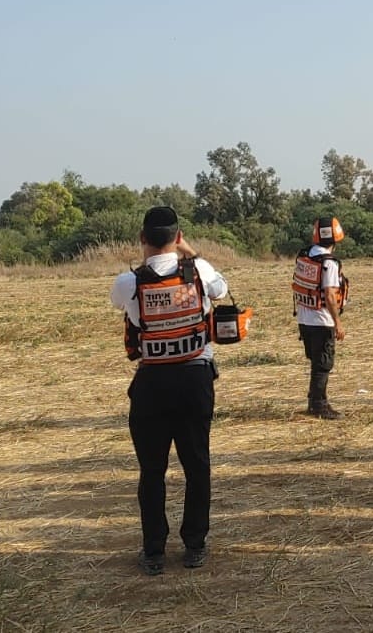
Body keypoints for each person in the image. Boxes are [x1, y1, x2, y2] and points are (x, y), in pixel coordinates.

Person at [108, 206, 228, 576]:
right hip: (195, 381)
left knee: (152, 471)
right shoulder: (200, 272)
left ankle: (154, 551)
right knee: (197, 465)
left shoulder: (128, 283)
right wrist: (190, 254)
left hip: (152, 385)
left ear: (142, 239)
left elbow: (119, 306)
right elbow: (222, 290)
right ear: (178, 238)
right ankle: (194, 545)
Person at [293, 217, 348, 420]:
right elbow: (330, 295)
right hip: (322, 320)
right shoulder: (329, 263)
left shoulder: (305, 255)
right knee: (323, 363)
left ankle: (314, 401)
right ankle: (319, 405)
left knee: (316, 362)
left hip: (304, 318)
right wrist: (338, 323)